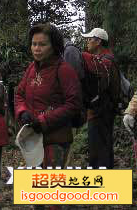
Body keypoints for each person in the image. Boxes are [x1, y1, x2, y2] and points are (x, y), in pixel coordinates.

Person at [15, 23, 82, 171]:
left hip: (56, 139)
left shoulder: (64, 70)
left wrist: (44, 121)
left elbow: (74, 104)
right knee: (36, 185)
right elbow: (19, 94)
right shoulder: (32, 68)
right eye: (34, 44)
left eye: (42, 44)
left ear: (54, 46)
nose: (36, 48)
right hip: (33, 139)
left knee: (51, 187)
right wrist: (22, 112)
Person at [81, 27, 119, 168]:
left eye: (90, 39)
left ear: (98, 41)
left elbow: (104, 88)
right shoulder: (104, 59)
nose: (87, 42)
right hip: (102, 111)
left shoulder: (105, 61)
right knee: (102, 147)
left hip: (101, 112)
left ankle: (101, 184)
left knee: (99, 149)